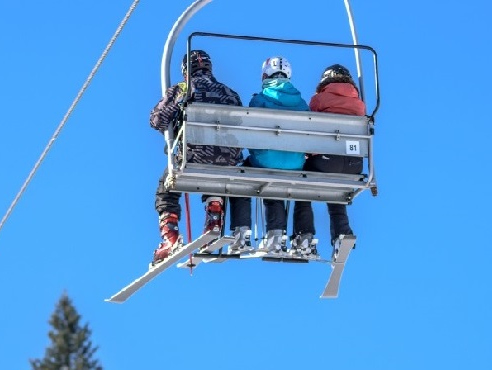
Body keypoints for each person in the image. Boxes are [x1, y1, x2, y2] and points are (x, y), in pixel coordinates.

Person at [149, 49, 248, 265]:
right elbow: (241, 126)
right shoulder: (230, 94)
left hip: (194, 156)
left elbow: (157, 120)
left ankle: (170, 237)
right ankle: (214, 219)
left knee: (165, 189)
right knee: (216, 172)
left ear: (186, 70)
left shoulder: (184, 89)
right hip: (227, 160)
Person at [228, 56, 310, 255]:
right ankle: (279, 236)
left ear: (265, 75)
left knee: (243, 176)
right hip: (296, 163)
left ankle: (242, 232)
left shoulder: (260, 99)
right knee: (280, 180)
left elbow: (249, 132)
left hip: (266, 161)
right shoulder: (301, 103)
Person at [291, 64, 366, 259]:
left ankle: (304, 235)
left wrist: (308, 153)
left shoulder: (319, 100)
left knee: (301, 186)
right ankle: (342, 233)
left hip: (325, 160)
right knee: (336, 192)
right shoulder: (360, 104)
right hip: (354, 164)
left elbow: (311, 127)